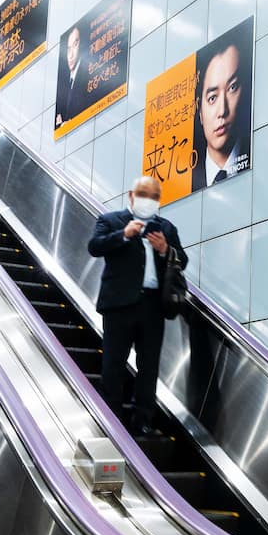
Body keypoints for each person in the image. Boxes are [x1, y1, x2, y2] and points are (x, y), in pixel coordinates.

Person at [87, 175, 187, 435]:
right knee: (113, 363)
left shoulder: (166, 228)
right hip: (119, 306)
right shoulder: (110, 221)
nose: (148, 201)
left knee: (149, 365)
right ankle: (111, 420)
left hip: (153, 306)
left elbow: (182, 260)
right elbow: (94, 247)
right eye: (144, 194)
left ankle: (143, 420)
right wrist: (124, 235)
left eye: (154, 196)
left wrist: (165, 250)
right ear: (131, 195)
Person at [190, 25, 252, 190]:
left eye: (232, 88)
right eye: (212, 98)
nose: (222, 110)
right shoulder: (190, 180)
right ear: (200, 111)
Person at [55, 25, 86, 127]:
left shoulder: (85, 78)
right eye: (68, 49)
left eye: (75, 45)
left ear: (81, 45)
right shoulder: (64, 82)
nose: (71, 55)